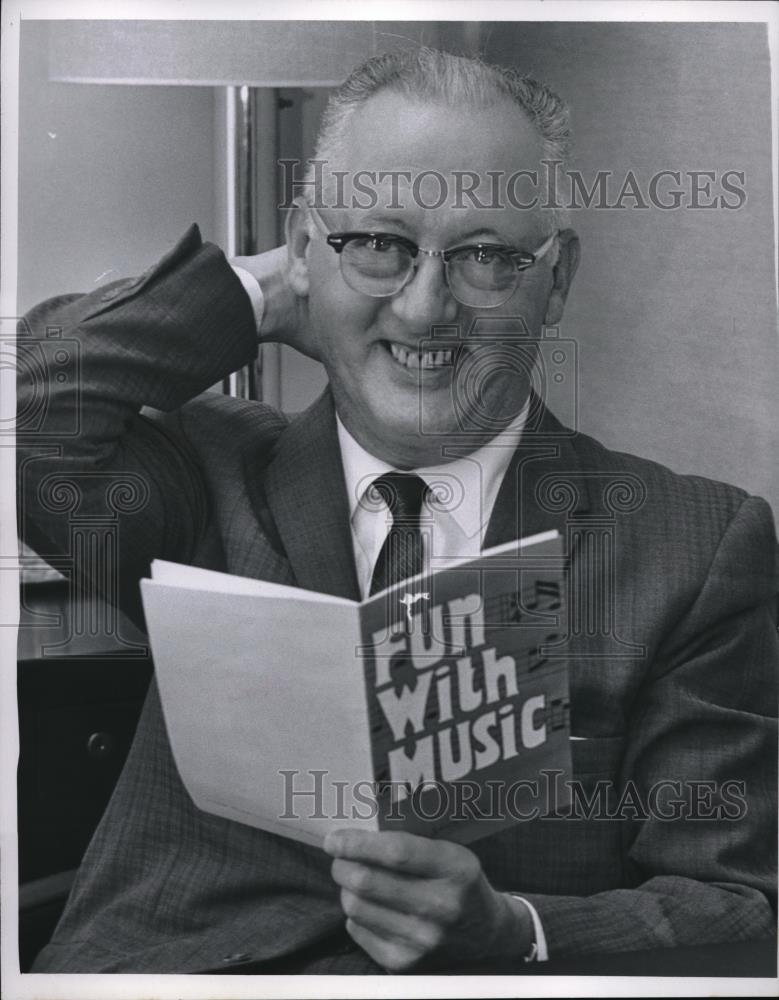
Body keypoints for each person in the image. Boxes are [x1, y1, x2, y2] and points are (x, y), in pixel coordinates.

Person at [18, 47, 777, 974]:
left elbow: (731, 904)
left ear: (556, 278)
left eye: (486, 257)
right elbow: (39, 409)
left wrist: (520, 931)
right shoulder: (200, 474)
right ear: (307, 248)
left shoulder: (693, 546)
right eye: (376, 243)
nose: (423, 309)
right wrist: (260, 288)